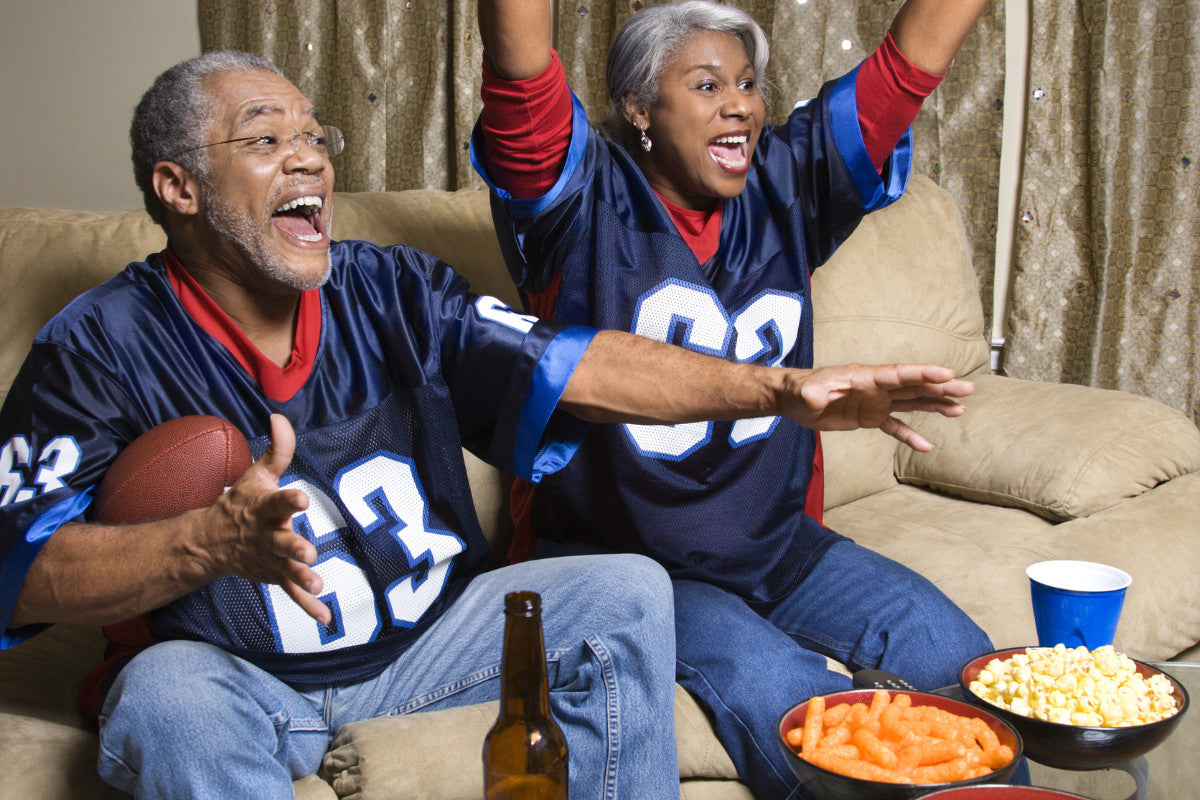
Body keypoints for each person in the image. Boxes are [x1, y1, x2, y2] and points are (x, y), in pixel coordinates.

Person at [0, 51, 975, 798]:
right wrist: (197, 547)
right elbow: (15, 569)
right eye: (264, 138)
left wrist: (773, 389)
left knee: (628, 588)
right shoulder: (101, 344)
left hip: (428, 645)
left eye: (314, 135)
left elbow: (579, 360)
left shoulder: (392, 288)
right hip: (239, 674)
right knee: (166, 696)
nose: (307, 155)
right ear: (177, 188)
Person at [471, 0, 1000, 796]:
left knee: (957, 658)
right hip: (628, 564)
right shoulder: (577, 197)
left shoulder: (791, 183)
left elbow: (907, 64)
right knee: (792, 699)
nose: (741, 105)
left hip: (776, 544)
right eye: (707, 84)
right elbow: (519, 68)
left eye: (749, 84)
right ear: (640, 110)